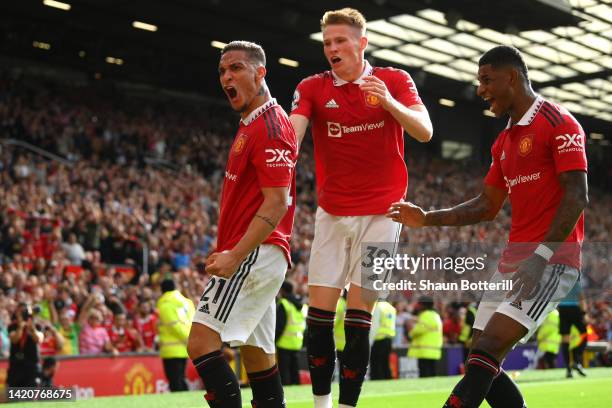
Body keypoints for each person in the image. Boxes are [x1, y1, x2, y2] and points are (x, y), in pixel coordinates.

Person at [387, 45, 588, 407]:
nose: (480, 90)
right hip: (515, 260)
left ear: (511, 77)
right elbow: (486, 205)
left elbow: (578, 195)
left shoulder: (558, 122)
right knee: (479, 352)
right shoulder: (503, 142)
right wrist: (427, 218)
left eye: (486, 80)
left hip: (552, 259)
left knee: (490, 347)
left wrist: (541, 256)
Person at [289, 8, 432, 408]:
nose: (332, 49)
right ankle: (321, 404)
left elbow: (424, 130)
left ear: (362, 43)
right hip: (332, 214)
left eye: (340, 41)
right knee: (318, 319)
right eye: (327, 43)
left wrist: (388, 103)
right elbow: (292, 134)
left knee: (358, 319)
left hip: (383, 217)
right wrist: (279, 147)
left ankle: (348, 406)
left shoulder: (393, 80)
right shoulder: (313, 87)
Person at [187, 40, 297, 408]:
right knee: (257, 356)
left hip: (256, 253)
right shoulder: (251, 123)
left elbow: (278, 202)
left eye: (235, 68)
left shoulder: (271, 125)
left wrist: (235, 254)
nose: (226, 76)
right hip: (255, 253)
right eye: (222, 70)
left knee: (201, 343)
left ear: (260, 72)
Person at [157, 279, 194, 392]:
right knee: (180, 379)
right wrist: (190, 339)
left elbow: (173, 326)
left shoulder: (165, 305)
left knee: (175, 382)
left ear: (162, 290)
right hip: (184, 347)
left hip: (171, 349)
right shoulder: (188, 303)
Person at [275, 281, 306, 385]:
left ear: (282, 290)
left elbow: (280, 326)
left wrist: (274, 341)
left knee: (285, 372)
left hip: (284, 343)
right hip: (297, 343)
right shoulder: (301, 304)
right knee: (295, 371)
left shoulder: (284, 303)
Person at [7, 303, 44, 387]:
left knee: (30, 394)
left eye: (25, 311)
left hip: (32, 365)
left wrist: (32, 329)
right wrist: (20, 327)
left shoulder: (36, 326)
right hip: (16, 366)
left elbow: (39, 339)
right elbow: (14, 339)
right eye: (21, 312)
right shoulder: (12, 326)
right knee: (14, 395)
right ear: (17, 313)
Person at [558, 281, 588, 377]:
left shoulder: (560, 282)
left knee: (565, 339)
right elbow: (582, 298)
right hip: (574, 309)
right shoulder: (575, 282)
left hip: (563, 310)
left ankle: (568, 369)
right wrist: (584, 314)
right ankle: (576, 359)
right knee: (584, 335)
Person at [407, 297, 442, 378]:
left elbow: (418, 330)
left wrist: (410, 332)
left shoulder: (425, 315)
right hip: (434, 351)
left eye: (419, 304)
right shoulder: (436, 315)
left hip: (424, 351)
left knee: (425, 375)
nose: (417, 306)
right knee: (432, 374)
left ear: (423, 305)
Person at [369, 300, 396, 380]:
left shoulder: (378, 307)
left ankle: (377, 380)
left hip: (379, 338)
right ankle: (388, 379)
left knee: (376, 363)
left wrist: (370, 341)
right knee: (385, 362)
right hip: (389, 338)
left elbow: (375, 325)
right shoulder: (391, 308)